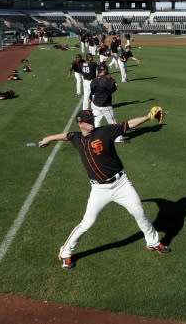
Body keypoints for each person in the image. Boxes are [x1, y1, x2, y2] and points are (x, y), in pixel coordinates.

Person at [37, 108, 169, 269]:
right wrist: (48, 139)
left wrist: (148, 117)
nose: (92, 122)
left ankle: (153, 242)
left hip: (121, 184)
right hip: (99, 190)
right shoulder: (76, 138)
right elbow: (65, 136)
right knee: (87, 223)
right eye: (88, 120)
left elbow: (128, 124)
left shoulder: (105, 132)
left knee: (140, 213)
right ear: (80, 124)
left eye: (92, 119)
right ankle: (65, 252)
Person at [89, 66, 127, 142]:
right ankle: (117, 138)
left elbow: (92, 92)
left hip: (95, 104)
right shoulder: (106, 80)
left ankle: (93, 136)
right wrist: (112, 80)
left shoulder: (94, 80)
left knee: (96, 121)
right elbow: (114, 88)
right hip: (105, 105)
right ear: (104, 71)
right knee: (112, 122)